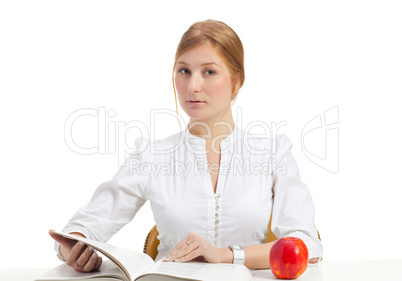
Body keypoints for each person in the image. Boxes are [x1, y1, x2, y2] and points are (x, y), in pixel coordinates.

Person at [50, 19, 323, 272]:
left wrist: (226, 254)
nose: (192, 86)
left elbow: (307, 246)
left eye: (209, 72)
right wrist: (72, 247)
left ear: (236, 80)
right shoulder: (152, 157)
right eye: (184, 71)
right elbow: (81, 228)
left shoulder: (272, 153)